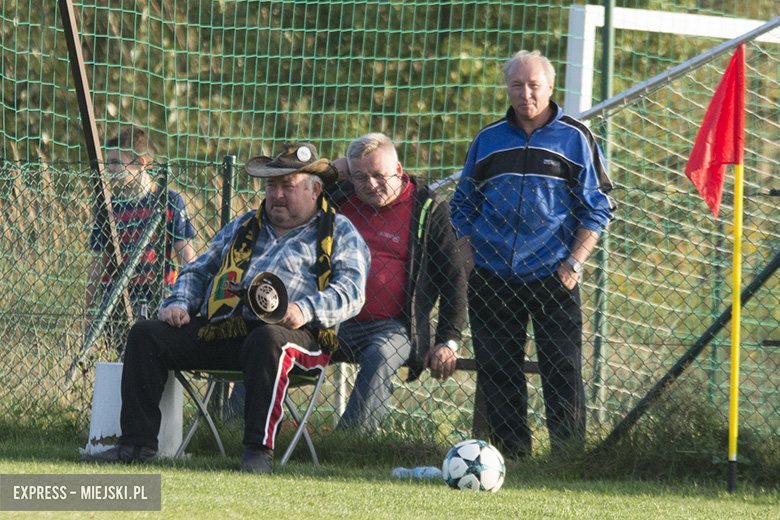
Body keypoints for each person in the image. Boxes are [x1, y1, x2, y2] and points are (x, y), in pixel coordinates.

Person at [82, 142, 370, 474]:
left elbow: (351, 292)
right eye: (271, 185)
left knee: (267, 339)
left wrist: (303, 309)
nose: (276, 194)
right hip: (223, 329)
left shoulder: (338, 231)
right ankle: (136, 445)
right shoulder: (246, 225)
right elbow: (198, 269)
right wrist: (179, 303)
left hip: (297, 336)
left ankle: (257, 453)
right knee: (146, 334)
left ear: (315, 190)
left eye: (287, 186)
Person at [450, 50, 615, 458]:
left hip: (553, 276)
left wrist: (573, 263)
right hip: (492, 276)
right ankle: (512, 459)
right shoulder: (488, 140)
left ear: (550, 87)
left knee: (562, 370)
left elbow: (599, 206)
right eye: (517, 85)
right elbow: (462, 204)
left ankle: (568, 458)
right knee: (498, 371)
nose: (525, 93)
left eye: (534, 85)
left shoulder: (575, 138)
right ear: (507, 89)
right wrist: (469, 258)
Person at [327, 133, 467, 432]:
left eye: (379, 175)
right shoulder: (338, 198)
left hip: (394, 327)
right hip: (330, 317)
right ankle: (247, 429)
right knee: (277, 340)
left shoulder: (429, 209)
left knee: (379, 355)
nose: (370, 184)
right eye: (360, 176)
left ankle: (347, 442)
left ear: (399, 170)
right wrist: (335, 170)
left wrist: (448, 340)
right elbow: (300, 184)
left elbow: (453, 279)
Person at [85, 127, 196, 345]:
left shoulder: (169, 201)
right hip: (115, 300)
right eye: (107, 163)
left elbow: (188, 260)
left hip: (159, 298)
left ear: (140, 163)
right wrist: (88, 314)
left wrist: (186, 302)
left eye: (116, 162)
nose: (109, 169)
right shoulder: (107, 208)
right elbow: (97, 264)